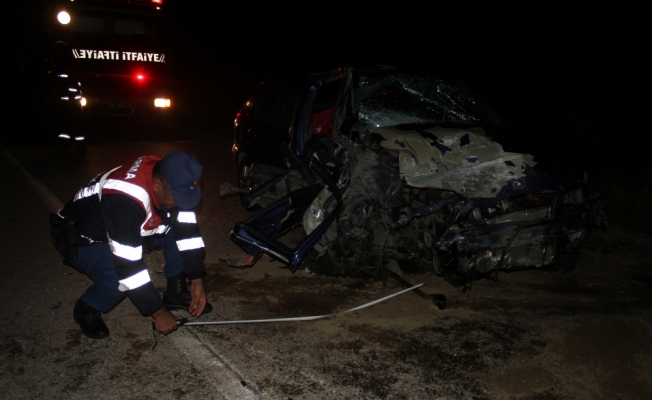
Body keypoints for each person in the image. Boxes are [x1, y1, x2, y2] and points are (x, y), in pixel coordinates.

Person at [50, 150, 212, 339]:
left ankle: (175, 293)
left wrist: (196, 280)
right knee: (120, 278)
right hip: (83, 239)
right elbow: (129, 268)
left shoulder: (170, 178)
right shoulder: (124, 200)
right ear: (158, 185)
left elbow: (188, 235)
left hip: (124, 227)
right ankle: (88, 306)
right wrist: (157, 312)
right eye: (178, 197)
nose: (184, 203)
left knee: (176, 228)